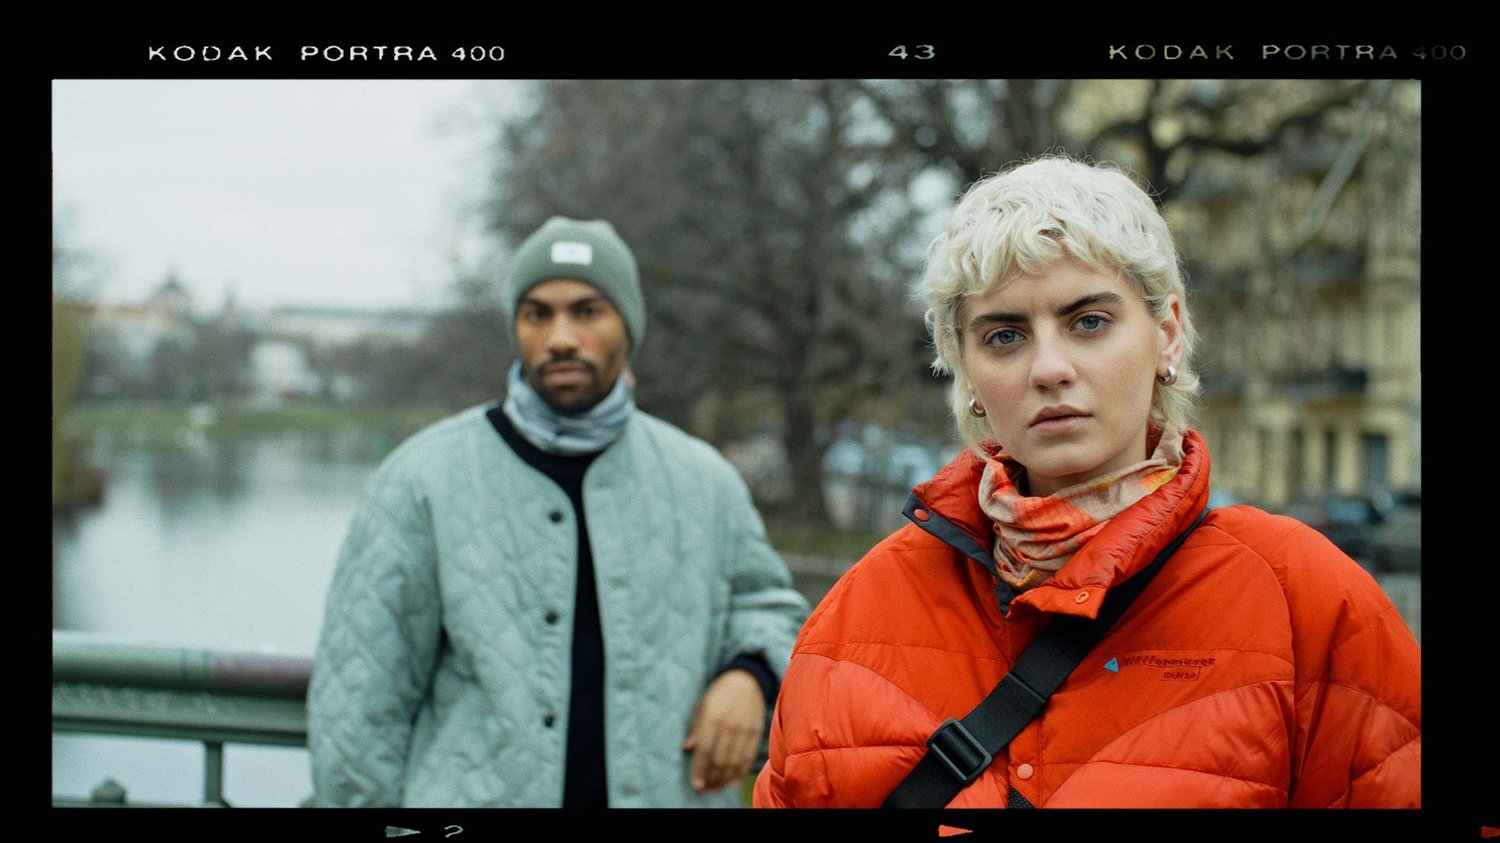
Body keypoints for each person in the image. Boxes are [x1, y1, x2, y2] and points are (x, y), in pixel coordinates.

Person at [753, 156, 1421, 809]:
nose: (1049, 367)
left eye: (1089, 321)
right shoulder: (855, 618)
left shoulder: (1305, 601)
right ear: (967, 369)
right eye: (1006, 335)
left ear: (1168, 334)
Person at [309, 216, 809, 808]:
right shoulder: (422, 479)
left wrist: (749, 675)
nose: (561, 337)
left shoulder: (705, 482)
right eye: (537, 313)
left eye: (588, 310)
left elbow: (770, 608)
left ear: (628, 326)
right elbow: (360, 703)